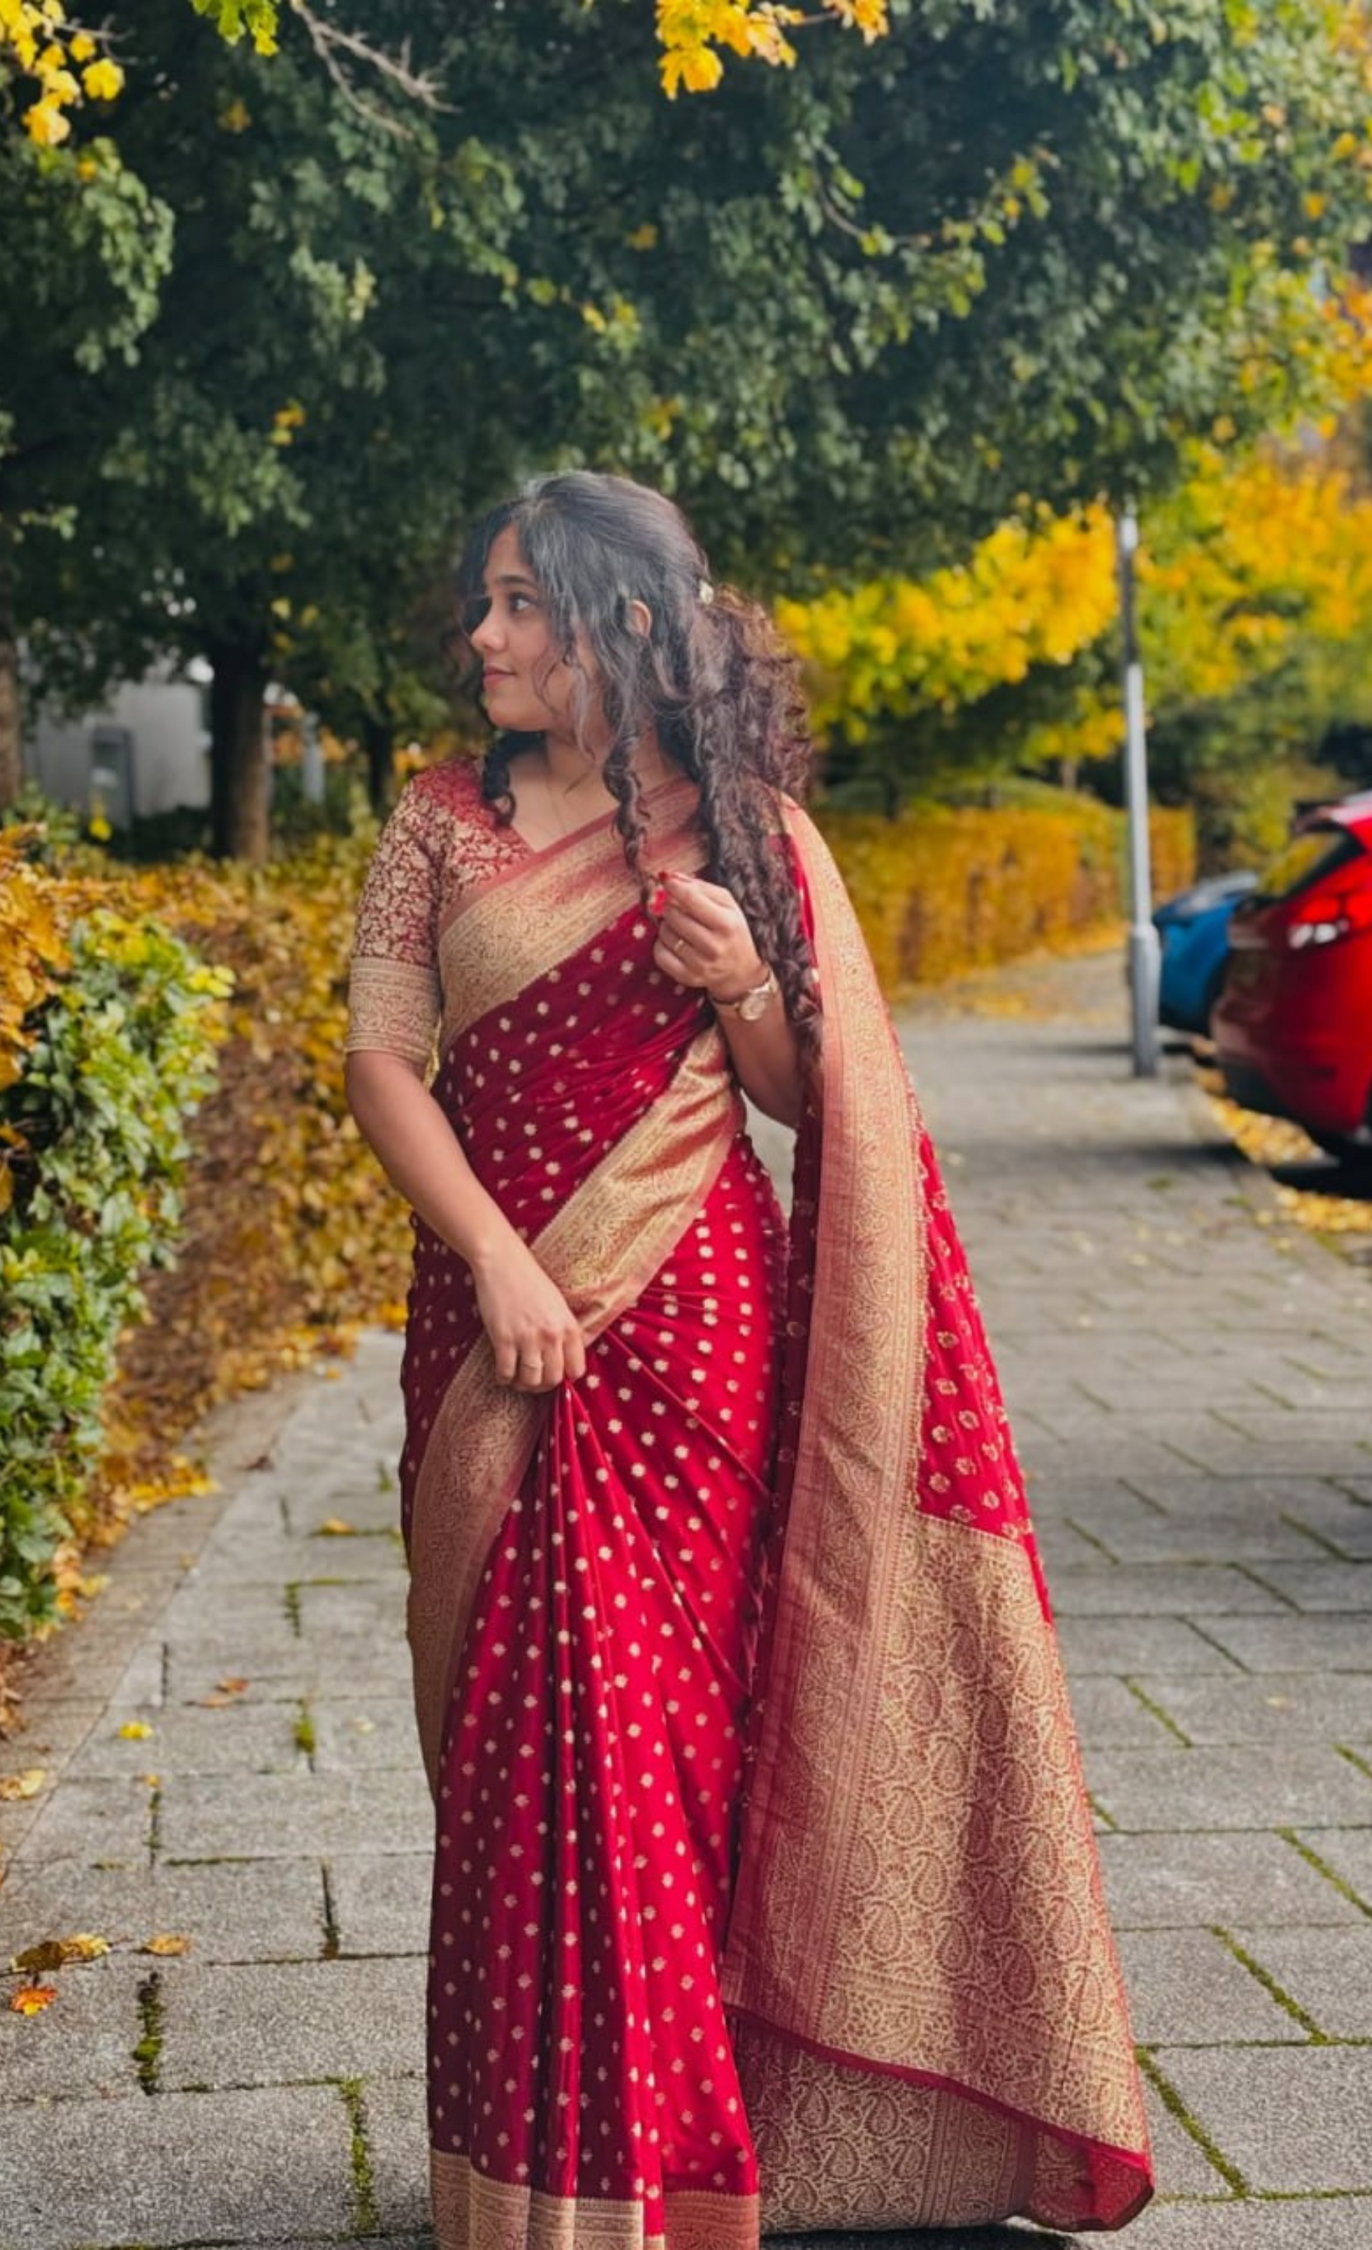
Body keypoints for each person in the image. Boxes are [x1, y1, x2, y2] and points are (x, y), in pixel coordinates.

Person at [342, 469, 1153, 2248]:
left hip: (692, 1326)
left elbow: (807, 1095)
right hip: (491, 1329)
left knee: (659, 1751)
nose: (481, 638)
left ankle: (671, 2186)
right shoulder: (434, 821)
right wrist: (496, 1266)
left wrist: (739, 984)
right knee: (522, 1758)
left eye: (520, 605)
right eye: (482, 604)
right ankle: (537, 2170)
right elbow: (384, 1069)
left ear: (620, 620)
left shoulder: (749, 830)